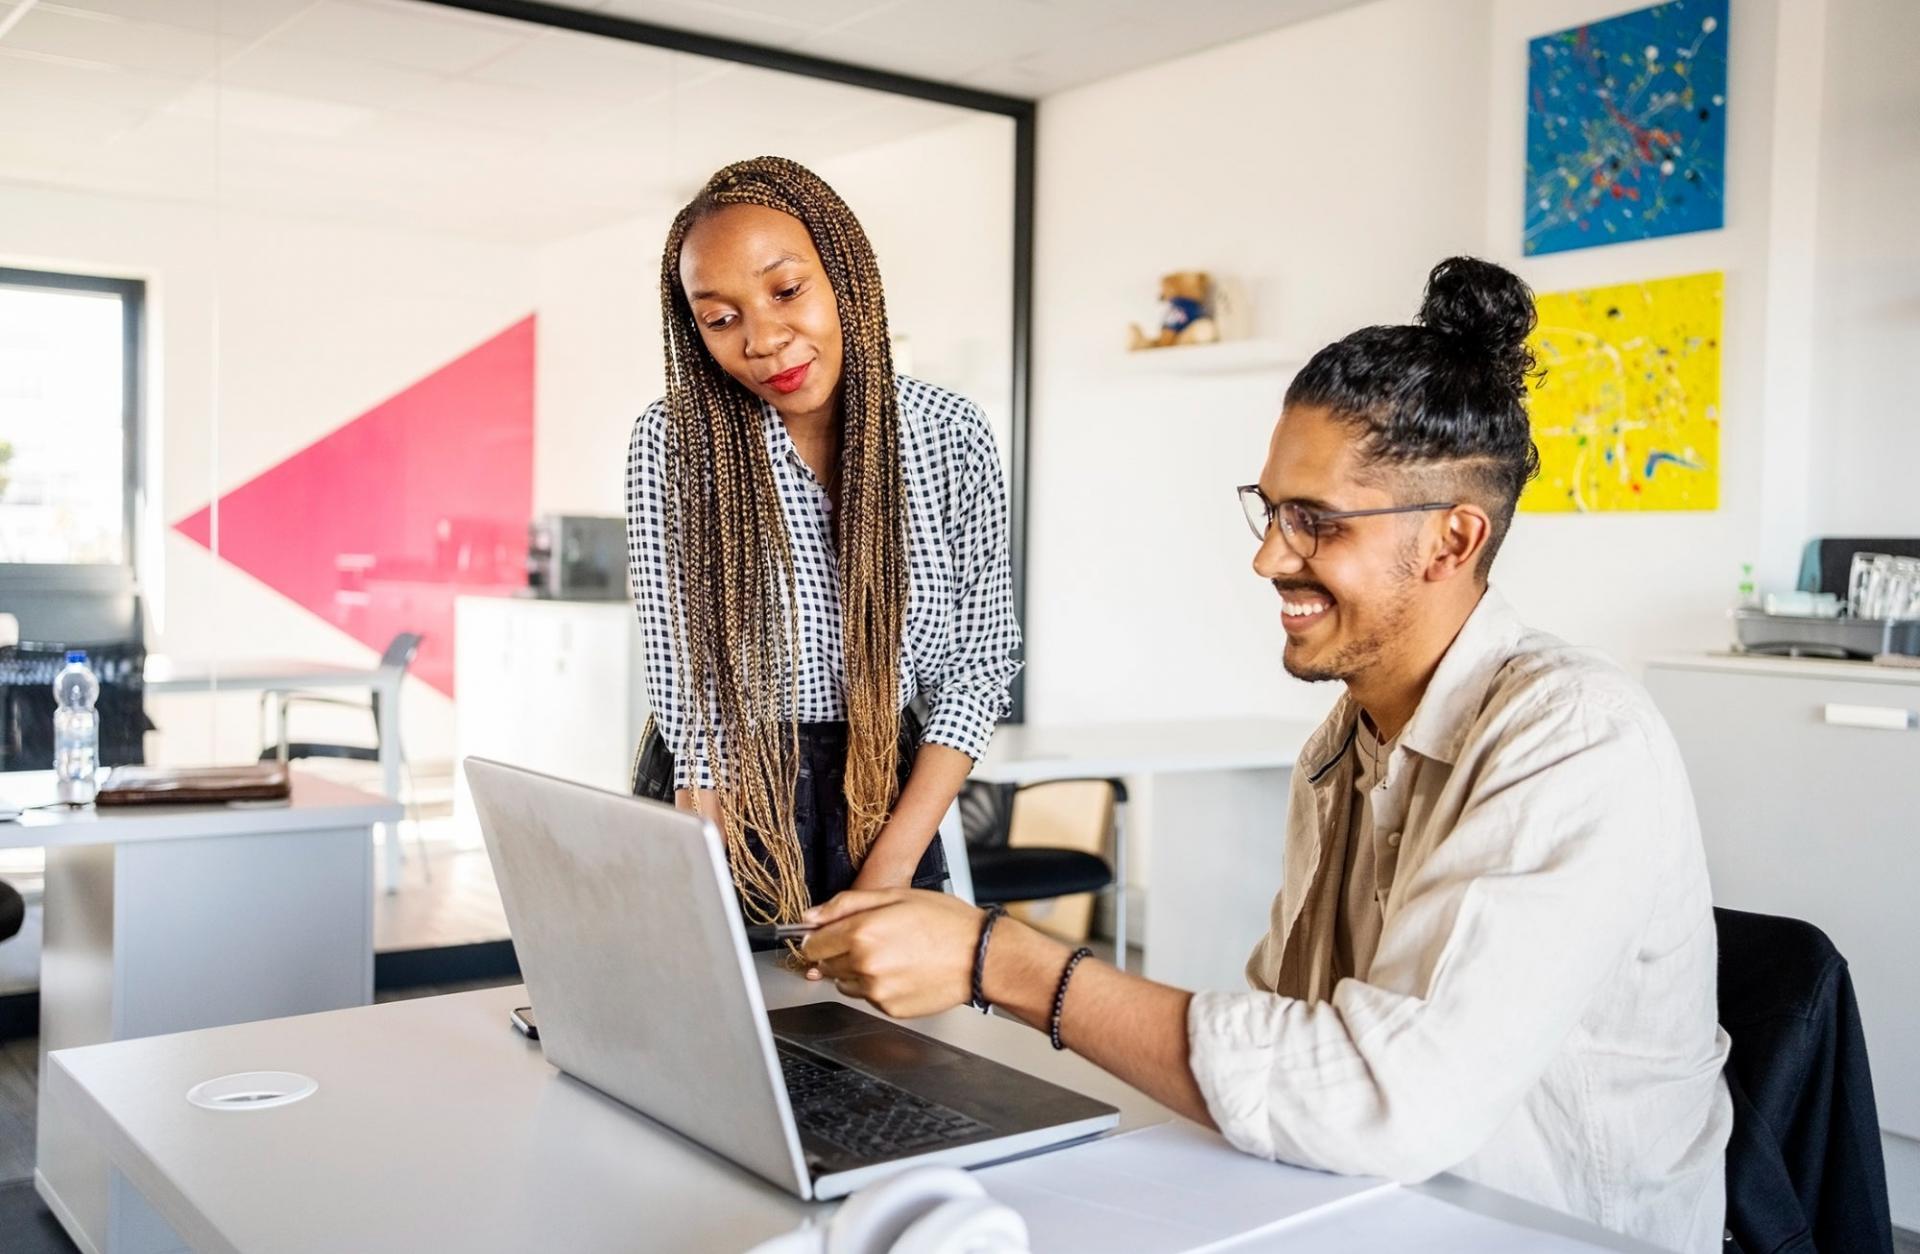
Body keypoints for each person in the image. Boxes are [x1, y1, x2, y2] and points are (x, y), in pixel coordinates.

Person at [800, 257, 1733, 1252]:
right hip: (1372, 1205)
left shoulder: (1576, 736)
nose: (1268, 557)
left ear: (1454, 541)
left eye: (1316, 523)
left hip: (1543, 1229)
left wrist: (1006, 963)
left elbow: (1386, 1099)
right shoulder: (1345, 742)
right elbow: (1289, 1045)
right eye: (1272, 508)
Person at [626, 156, 1020, 935]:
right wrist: (709, 872)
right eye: (721, 317)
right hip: (722, 791)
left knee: (895, 1050)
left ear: (844, 274)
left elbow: (980, 668)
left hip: (887, 796)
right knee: (714, 1045)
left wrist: (888, 868)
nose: (765, 339)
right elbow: (690, 692)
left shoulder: (950, 436)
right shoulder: (673, 443)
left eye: (786, 290)